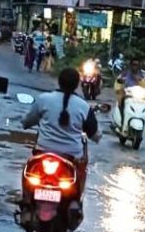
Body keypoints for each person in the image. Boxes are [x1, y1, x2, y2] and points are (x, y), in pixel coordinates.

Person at [22, 67, 99, 195]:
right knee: (78, 181)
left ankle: (26, 198)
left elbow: (27, 121)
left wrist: (28, 122)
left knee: (27, 172)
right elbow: (95, 135)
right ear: (77, 85)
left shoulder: (43, 99)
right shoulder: (83, 106)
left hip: (42, 151)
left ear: (59, 81)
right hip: (72, 158)